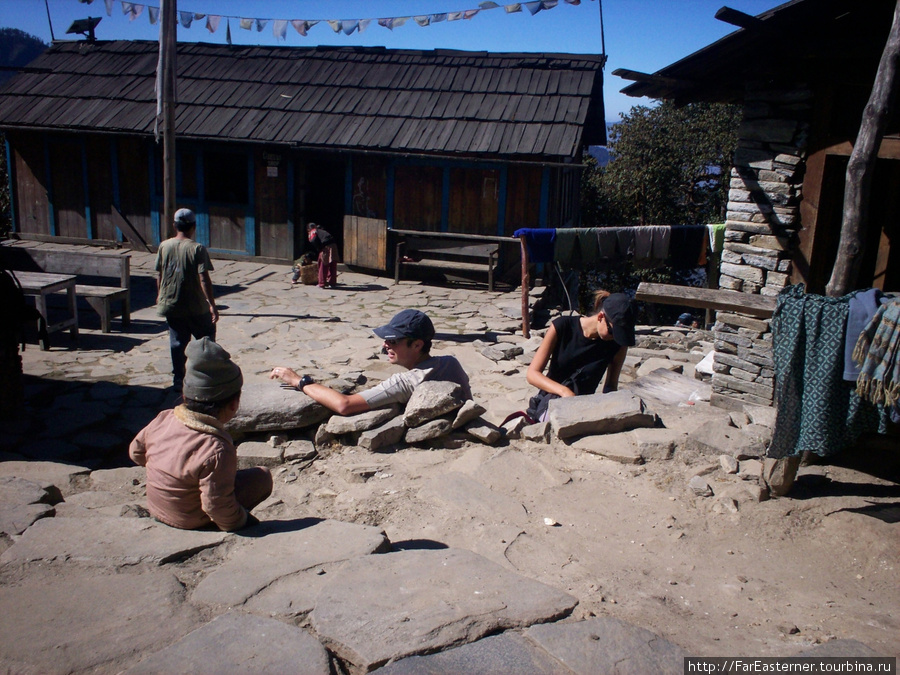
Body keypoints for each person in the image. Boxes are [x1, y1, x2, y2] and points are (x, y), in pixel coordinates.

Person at [129, 337, 272, 531]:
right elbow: (215, 505)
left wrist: (170, 470)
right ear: (233, 404)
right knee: (262, 477)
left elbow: (135, 453)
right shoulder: (216, 448)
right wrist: (243, 523)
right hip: (190, 519)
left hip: (158, 508)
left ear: (185, 396)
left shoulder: (164, 418)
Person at [269, 309, 471, 415]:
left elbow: (344, 405)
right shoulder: (450, 363)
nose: (385, 346)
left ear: (417, 345)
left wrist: (299, 381)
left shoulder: (406, 382)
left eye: (393, 341)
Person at [524, 290, 636, 423]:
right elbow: (532, 374)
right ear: (600, 317)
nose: (615, 338)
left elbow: (610, 386)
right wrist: (565, 392)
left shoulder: (618, 344)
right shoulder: (562, 326)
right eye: (613, 332)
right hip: (552, 399)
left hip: (585, 407)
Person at [155, 208, 219, 393]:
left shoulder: (164, 246)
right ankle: (205, 376)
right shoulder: (197, 249)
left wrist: (160, 295)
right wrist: (212, 305)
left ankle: (178, 379)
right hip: (196, 305)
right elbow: (204, 278)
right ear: (194, 227)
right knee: (206, 340)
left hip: (172, 304)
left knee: (177, 342)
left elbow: (159, 274)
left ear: (175, 225)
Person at [307, 222, 339, 288]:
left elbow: (313, 240)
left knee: (323, 265)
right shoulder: (322, 231)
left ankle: (321, 283)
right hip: (333, 245)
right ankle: (332, 283)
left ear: (308, 229)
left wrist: (319, 248)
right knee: (332, 264)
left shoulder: (313, 231)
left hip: (326, 247)